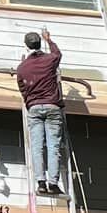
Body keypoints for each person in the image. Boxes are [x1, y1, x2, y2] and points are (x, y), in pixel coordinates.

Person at [14, 27, 65, 197]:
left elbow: (22, 89)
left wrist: (30, 101)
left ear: (26, 46)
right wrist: (49, 39)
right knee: (53, 146)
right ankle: (53, 183)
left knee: (37, 147)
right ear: (40, 43)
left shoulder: (22, 68)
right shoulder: (50, 60)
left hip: (34, 108)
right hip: (52, 106)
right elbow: (57, 53)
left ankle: (41, 183)